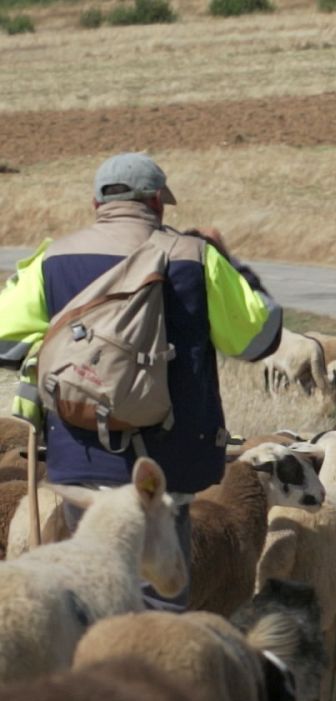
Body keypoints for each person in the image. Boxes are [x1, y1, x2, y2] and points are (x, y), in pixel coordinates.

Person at [0, 152, 282, 609]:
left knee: (88, 597)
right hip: (167, 468)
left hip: (81, 458)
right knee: (158, 605)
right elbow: (259, 338)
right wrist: (231, 262)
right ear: (156, 203)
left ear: (97, 204)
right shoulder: (195, 257)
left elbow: (4, 341)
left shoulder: (52, 259)